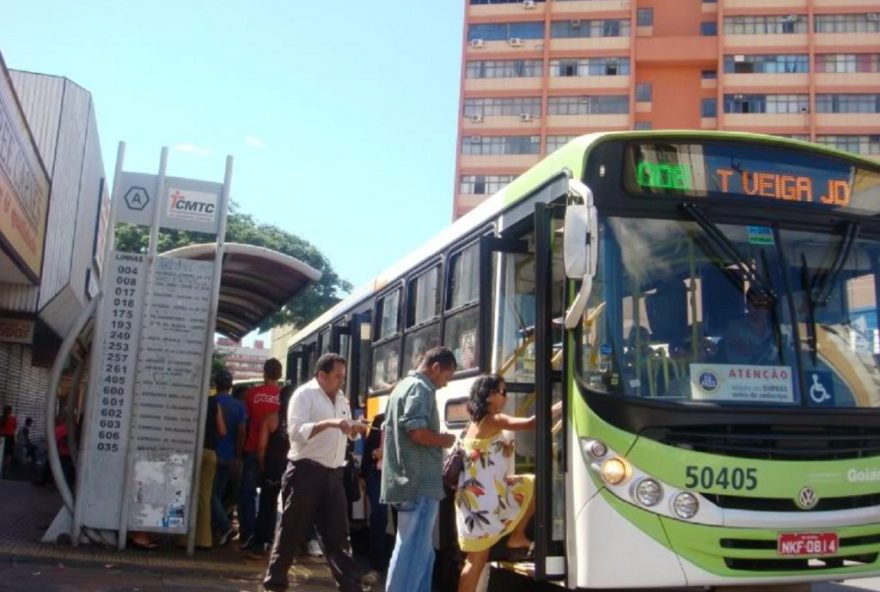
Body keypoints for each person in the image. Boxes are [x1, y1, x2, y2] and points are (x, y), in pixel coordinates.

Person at [262, 353, 377, 592]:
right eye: (337, 377)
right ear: (321, 375)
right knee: (291, 531)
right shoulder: (304, 395)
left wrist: (354, 429)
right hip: (305, 471)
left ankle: (350, 585)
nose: (341, 382)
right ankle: (275, 583)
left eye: (343, 377)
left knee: (338, 536)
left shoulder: (342, 399)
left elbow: (346, 433)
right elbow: (296, 432)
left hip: (333, 474)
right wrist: (332, 423)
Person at [455, 374, 561, 592]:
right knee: (475, 561)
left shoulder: (473, 422)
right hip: (483, 501)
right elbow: (532, 423)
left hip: (476, 498)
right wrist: (564, 404)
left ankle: (516, 536)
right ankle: (516, 536)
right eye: (503, 392)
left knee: (530, 484)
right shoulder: (494, 419)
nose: (505, 397)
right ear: (490, 396)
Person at [381, 346, 458, 592]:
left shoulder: (402, 387)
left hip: (406, 480)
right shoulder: (421, 388)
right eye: (446, 377)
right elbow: (416, 432)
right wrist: (443, 440)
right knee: (414, 551)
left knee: (420, 552)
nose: (445, 384)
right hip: (419, 481)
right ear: (435, 368)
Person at [240, 359, 283, 550]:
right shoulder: (283, 397)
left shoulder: (250, 394)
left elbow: (244, 423)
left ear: (264, 373)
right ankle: (267, 536)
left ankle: (248, 533)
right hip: (275, 455)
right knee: (270, 497)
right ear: (280, 375)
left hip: (251, 449)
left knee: (247, 494)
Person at [253, 383, 294, 554]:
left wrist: (262, 464)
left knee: (267, 506)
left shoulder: (270, 418)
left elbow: (261, 446)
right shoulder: (299, 422)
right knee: (290, 508)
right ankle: (286, 545)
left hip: (272, 468)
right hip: (292, 468)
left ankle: (262, 541)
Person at [212, 369, 247, 547]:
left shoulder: (211, 402)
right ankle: (220, 528)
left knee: (212, 495)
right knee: (222, 494)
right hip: (231, 455)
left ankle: (225, 527)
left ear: (215, 385)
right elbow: (242, 431)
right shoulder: (239, 406)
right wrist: (238, 454)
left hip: (213, 454)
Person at [361, 412, 391, 573]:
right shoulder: (380, 419)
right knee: (379, 516)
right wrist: (362, 475)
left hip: (399, 476)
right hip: (377, 474)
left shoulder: (408, 417)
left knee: (402, 521)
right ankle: (376, 568)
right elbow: (369, 447)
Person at [196, 389, 226, 549]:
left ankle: (183, 537)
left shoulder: (190, 399)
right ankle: (204, 539)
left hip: (192, 451)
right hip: (210, 452)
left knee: (186, 494)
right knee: (205, 496)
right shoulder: (215, 403)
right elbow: (222, 430)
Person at [0, 405, 17, 476]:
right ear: (10, 411)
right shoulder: (13, 419)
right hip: (10, 437)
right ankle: (6, 470)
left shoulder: (1, 418)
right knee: (8, 454)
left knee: (1, 453)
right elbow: (14, 428)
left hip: (1, 436)